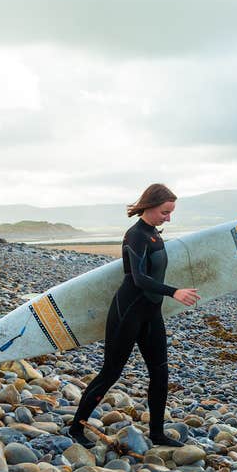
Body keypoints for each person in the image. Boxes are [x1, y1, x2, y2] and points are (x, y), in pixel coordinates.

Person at [69, 184, 200, 448]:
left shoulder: (154, 234)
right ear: (150, 206)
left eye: (171, 212)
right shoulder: (136, 235)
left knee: (160, 373)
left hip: (151, 314)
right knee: (111, 372)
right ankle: (76, 428)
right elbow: (140, 279)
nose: (168, 218)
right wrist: (174, 292)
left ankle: (157, 432)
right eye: (165, 211)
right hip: (127, 313)